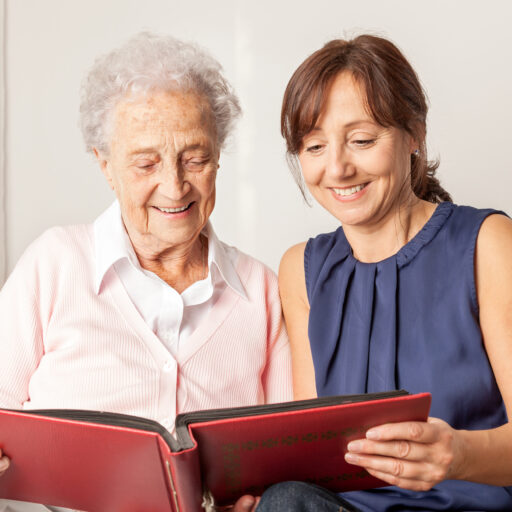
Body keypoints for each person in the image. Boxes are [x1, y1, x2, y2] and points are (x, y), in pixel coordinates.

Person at [0, 32, 292, 512]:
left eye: (194, 158)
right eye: (145, 163)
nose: (174, 186)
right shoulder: (54, 264)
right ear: (106, 166)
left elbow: (284, 463)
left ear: (218, 158)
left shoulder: (262, 291)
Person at [256, 35, 512, 511]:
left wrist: (459, 455)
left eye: (362, 140)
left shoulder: (486, 243)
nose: (337, 168)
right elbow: (314, 454)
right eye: (314, 146)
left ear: (414, 134)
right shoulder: (303, 269)